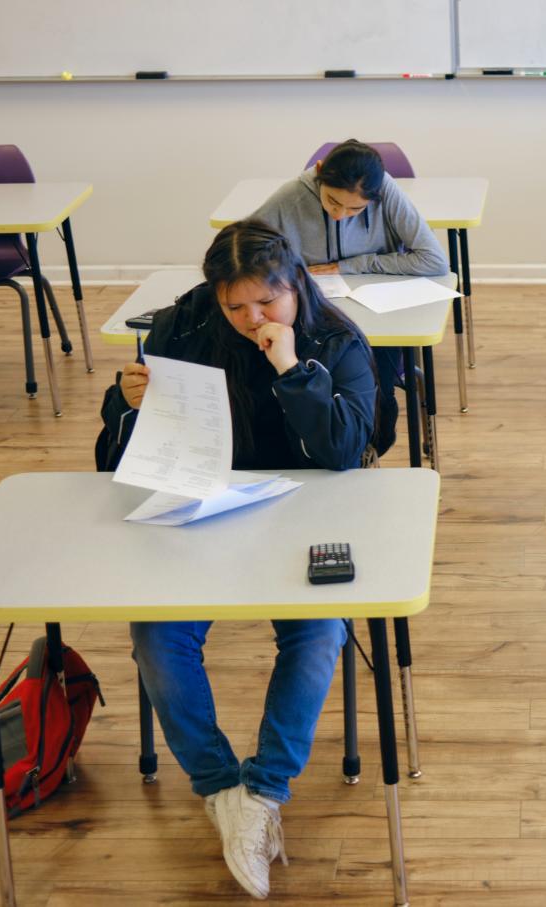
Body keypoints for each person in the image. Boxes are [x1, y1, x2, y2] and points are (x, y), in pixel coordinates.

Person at [96, 220, 377, 900]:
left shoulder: (335, 339)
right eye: (236, 307)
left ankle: (265, 790)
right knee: (157, 637)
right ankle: (224, 790)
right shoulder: (182, 328)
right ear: (215, 299)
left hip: (305, 517)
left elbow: (349, 449)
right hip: (204, 511)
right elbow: (116, 458)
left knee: (318, 634)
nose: (254, 319)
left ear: (295, 285)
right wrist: (126, 405)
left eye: (268, 302)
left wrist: (290, 368)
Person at [253, 139, 449, 454]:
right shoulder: (292, 195)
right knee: (305, 391)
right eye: (332, 201)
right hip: (311, 318)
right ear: (319, 173)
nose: (340, 215)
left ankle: (366, 451)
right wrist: (292, 274)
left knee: (376, 396)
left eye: (356, 209)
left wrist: (352, 265)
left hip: (377, 316)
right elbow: (244, 251)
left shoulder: (386, 191)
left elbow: (434, 261)